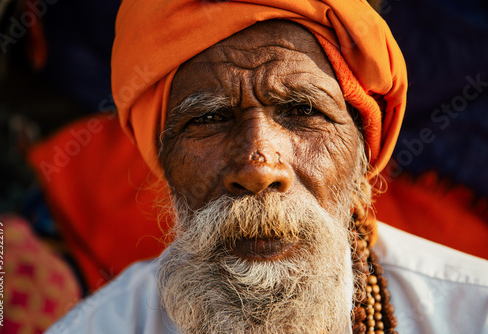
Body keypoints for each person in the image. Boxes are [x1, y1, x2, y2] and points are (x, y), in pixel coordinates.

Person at [46, 0, 488, 333]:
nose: (259, 168)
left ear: (364, 152)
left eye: (301, 111)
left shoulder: (472, 313)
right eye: (210, 118)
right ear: (163, 160)